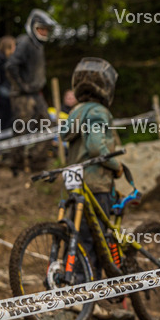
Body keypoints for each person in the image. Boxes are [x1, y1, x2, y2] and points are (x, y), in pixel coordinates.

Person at [60, 58, 125, 269]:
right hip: (96, 185)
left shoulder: (76, 111)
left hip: (77, 185)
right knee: (94, 243)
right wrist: (116, 166)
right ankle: (90, 287)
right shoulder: (98, 111)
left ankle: (76, 283)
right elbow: (96, 146)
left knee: (78, 239)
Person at [6, 9, 58, 169]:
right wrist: (22, 86)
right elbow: (11, 65)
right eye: (41, 29)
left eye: (46, 29)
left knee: (48, 127)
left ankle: (37, 161)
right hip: (23, 96)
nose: (44, 32)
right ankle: (17, 164)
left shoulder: (38, 46)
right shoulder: (25, 43)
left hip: (36, 94)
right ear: (33, 27)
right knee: (22, 129)